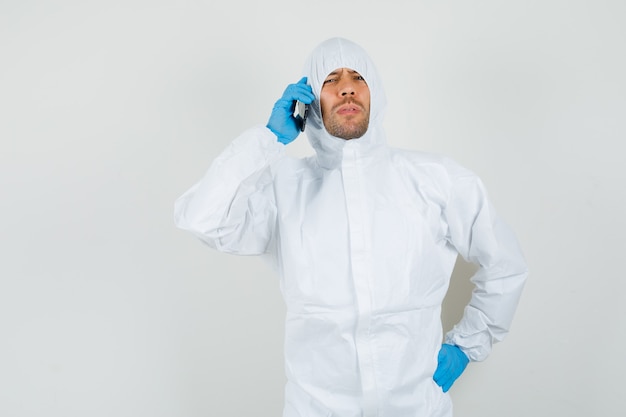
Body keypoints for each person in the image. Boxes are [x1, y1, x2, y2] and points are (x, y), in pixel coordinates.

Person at [174, 37, 528, 417]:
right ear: (309, 103)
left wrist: (466, 346)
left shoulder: (434, 180)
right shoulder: (284, 188)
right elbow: (203, 219)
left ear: (375, 92)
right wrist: (266, 140)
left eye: (358, 77)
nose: (346, 87)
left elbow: (505, 265)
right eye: (330, 80)